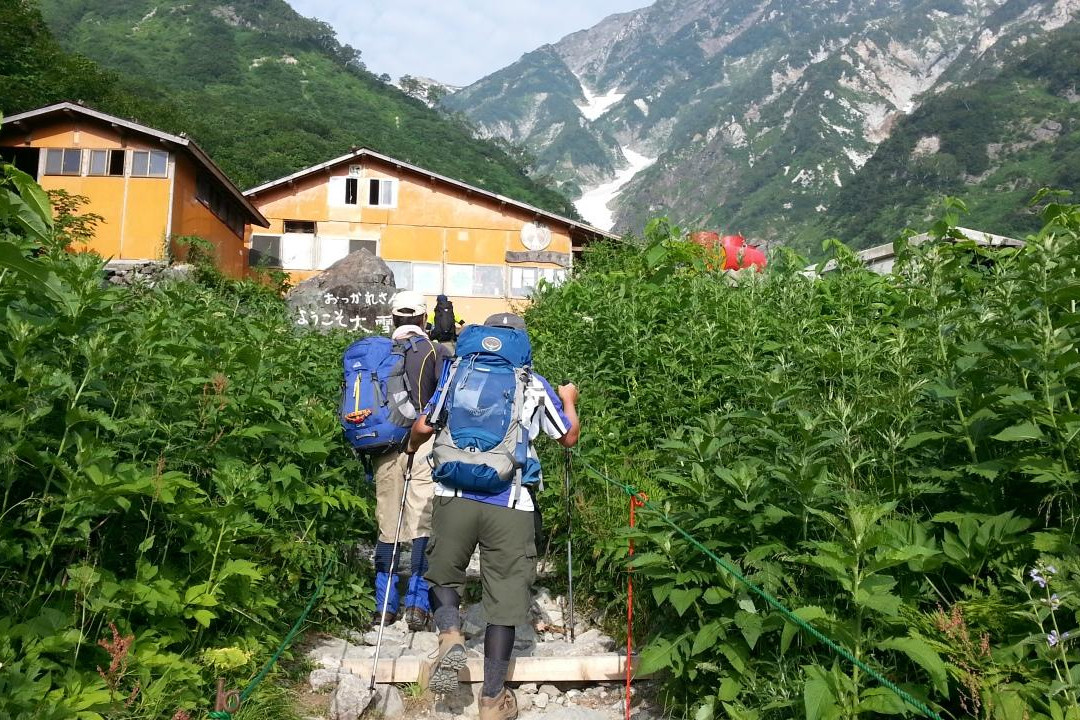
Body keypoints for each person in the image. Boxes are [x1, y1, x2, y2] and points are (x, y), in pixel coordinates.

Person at [407, 312, 580, 720]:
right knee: (504, 602)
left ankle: (450, 635)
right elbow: (567, 437)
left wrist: (412, 446)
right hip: (510, 502)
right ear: (520, 341)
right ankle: (492, 700)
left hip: (454, 495)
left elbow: (422, 426)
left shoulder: (455, 375)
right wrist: (569, 398)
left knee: (443, 575)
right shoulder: (530, 383)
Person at [370, 290, 452, 630]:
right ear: (423, 320)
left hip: (384, 447)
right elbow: (446, 400)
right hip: (424, 444)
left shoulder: (377, 351)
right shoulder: (436, 351)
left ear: (393, 319)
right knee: (421, 522)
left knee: (388, 524)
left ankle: (384, 606)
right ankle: (417, 605)